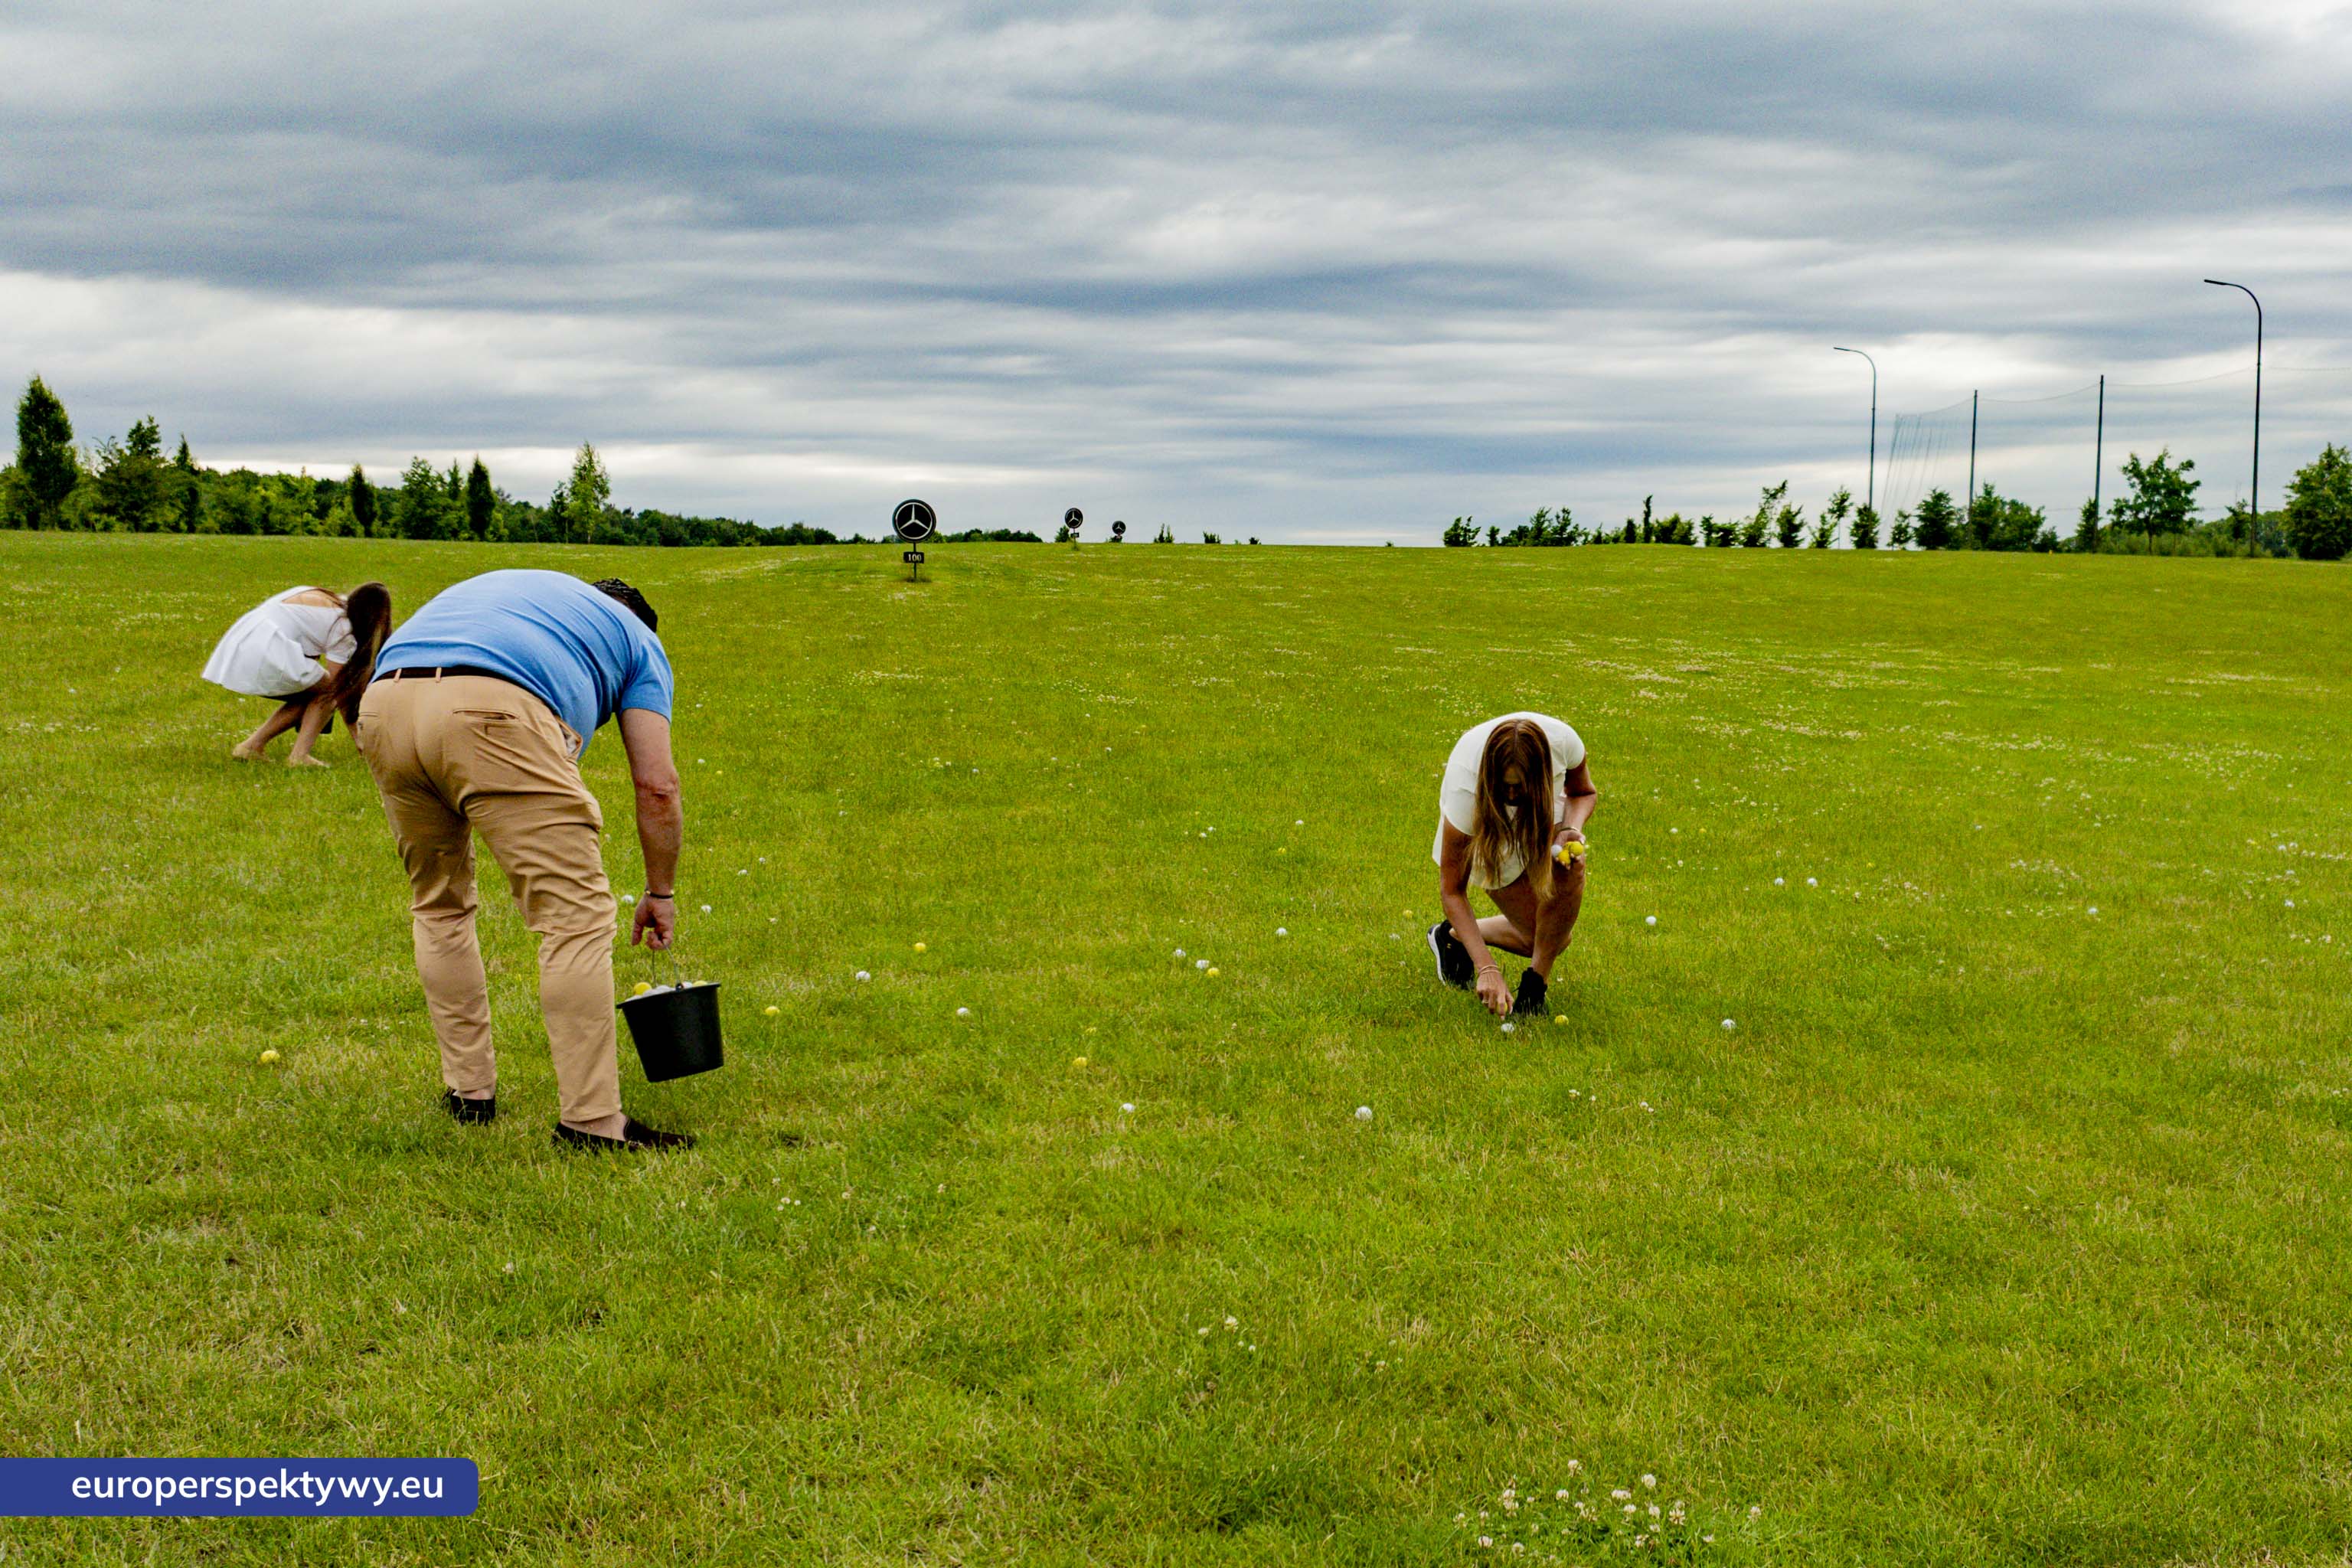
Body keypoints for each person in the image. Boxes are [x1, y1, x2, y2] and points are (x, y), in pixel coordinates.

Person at [354, 570, 691, 1153]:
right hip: (492, 710)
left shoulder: (529, 596)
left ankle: (468, 1095)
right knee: (575, 919)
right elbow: (657, 784)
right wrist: (659, 893)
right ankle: (591, 1124)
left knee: (440, 905)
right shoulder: (640, 642)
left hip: (383, 705)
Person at [1426, 711, 1599, 1018]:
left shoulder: (1563, 742)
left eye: (1519, 786)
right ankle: (1451, 936)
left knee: (1567, 883)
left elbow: (1583, 792)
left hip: (1542, 802)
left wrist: (1570, 827)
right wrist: (1487, 967)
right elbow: (1452, 890)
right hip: (1487, 819)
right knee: (1542, 938)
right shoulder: (1467, 793)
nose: (1511, 794)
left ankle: (1534, 993)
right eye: (1505, 785)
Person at [202, 583, 393, 766]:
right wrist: (358, 738)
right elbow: (339, 688)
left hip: (244, 642)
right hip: (265, 649)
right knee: (327, 692)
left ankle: (252, 746)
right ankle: (299, 756)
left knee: (313, 691)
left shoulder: (334, 604)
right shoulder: (344, 628)